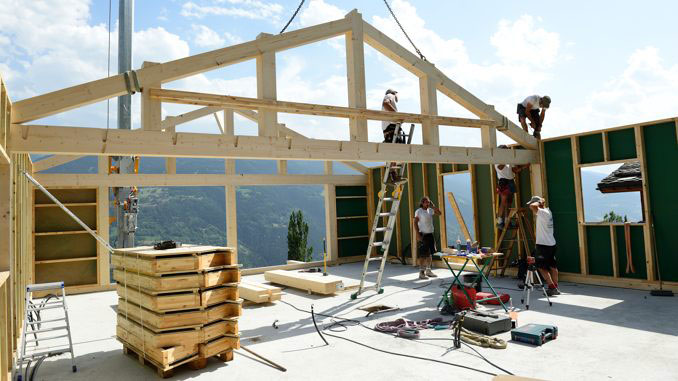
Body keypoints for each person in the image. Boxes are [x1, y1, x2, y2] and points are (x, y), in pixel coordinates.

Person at [527, 196, 560, 296]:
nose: (531, 207)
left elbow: (532, 206)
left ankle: (551, 287)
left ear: (539, 204)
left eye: (534, 203)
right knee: (552, 266)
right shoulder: (547, 211)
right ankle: (555, 287)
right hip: (551, 244)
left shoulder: (543, 212)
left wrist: (539, 201)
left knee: (541, 267)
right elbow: (532, 206)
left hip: (543, 245)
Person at [494, 145, 527, 230]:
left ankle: (507, 222)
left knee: (508, 203)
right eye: (506, 150)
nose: (507, 151)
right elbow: (500, 167)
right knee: (503, 202)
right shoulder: (497, 159)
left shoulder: (509, 159)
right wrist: (507, 159)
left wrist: (524, 167)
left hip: (510, 182)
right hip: (503, 182)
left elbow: (514, 170)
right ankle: (500, 222)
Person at [413, 196, 442, 280]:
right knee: (423, 254)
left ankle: (428, 271)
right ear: (422, 203)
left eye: (428, 202)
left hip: (430, 234)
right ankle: (421, 273)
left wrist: (433, 206)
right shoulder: (419, 211)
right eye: (426, 202)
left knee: (430, 254)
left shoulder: (430, 210)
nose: (427, 203)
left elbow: (439, 213)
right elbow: (415, 222)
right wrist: (418, 234)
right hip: (423, 235)